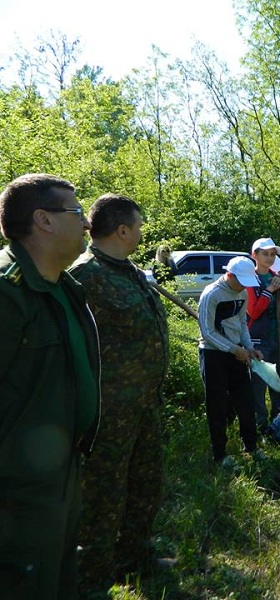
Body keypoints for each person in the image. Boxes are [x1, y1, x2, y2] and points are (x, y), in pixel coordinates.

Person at [0, 173, 100, 599]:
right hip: (15, 493)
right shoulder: (7, 294)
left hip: (58, 477)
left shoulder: (65, 287)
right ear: (43, 220)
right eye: (77, 213)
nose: (87, 224)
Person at [68, 194, 170, 592]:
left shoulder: (129, 271)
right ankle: (92, 576)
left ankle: (135, 558)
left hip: (144, 404)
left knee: (146, 483)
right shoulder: (84, 275)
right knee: (103, 495)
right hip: (108, 412)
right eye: (138, 226)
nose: (142, 232)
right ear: (122, 229)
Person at [198, 255, 264, 467]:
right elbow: (207, 332)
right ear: (230, 275)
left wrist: (249, 347)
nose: (244, 286)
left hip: (237, 353)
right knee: (217, 405)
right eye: (241, 281)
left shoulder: (243, 292)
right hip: (213, 355)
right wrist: (233, 349)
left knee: (245, 400)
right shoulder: (212, 294)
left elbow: (242, 323)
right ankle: (219, 454)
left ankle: (251, 446)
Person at [246, 238, 280, 433]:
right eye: (265, 253)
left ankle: (279, 420)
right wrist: (269, 290)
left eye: (273, 254)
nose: (269, 257)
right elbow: (253, 312)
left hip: (277, 339)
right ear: (254, 255)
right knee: (258, 385)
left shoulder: (276, 277)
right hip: (257, 341)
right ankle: (260, 425)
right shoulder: (249, 279)